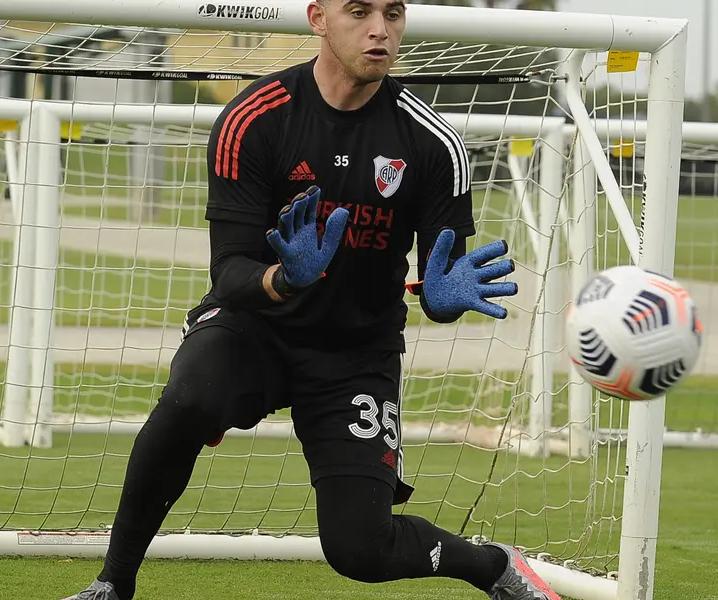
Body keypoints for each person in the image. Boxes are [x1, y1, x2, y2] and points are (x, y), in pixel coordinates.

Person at [63, 0, 559, 598]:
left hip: (357, 351)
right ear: (317, 18)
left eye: (394, 13)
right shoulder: (254, 118)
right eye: (360, 12)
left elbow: (437, 283)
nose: (381, 30)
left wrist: (445, 296)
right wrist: (285, 278)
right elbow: (230, 271)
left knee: (360, 549)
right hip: (256, 327)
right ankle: (113, 584)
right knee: (189, 398)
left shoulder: (433, 142)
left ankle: (493, 567)